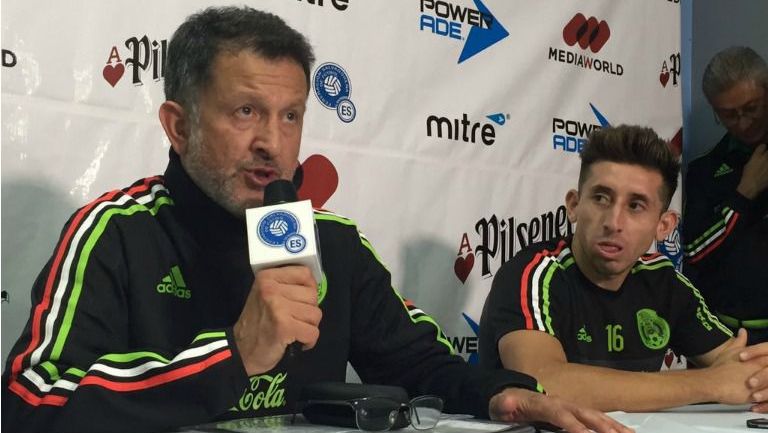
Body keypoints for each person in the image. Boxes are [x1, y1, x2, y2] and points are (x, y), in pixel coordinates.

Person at [1, 6, 630, 433]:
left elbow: (421, 365)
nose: (273, 144)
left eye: (291, 115)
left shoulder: (329, 240)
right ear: (178, 124)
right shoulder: (115, 231)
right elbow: (28, 402)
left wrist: (500, 393)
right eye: (246, 111)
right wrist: (234, 353)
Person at [479, 124, 768, 412]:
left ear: (663, 226)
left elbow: (739, 365)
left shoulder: (663, 280)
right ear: (574, 206)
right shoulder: (534, 273)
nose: (613, 222)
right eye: (601, 198)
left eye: (636, 206)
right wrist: (711, 384)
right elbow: (543, 383)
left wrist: (758, 380)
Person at [683, 46, 768, 344]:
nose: (743, 123)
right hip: (720, 335)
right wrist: (743, 194)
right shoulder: (704, 170)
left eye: (752, 108)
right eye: (729, 115)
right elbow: (693, 252)